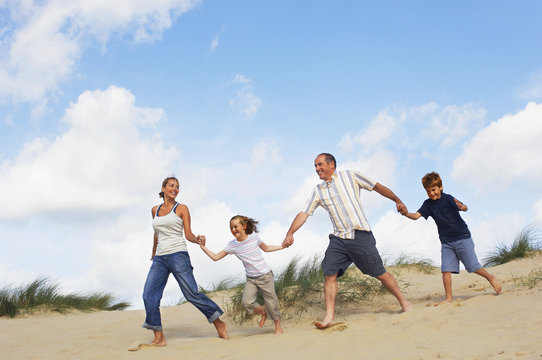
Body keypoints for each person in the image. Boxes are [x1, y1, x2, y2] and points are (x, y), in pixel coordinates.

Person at [282, 153, 412, 329]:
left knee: (379, 273)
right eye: (315, 166)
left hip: (360, 235)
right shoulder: (318, 191)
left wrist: (397, 200)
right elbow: (304, 213)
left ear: (331, 164)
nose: (317, 169)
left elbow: (377, 187)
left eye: (320, 165)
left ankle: (404, 302)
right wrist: (290, 232)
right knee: (329, 274)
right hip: (339, 239)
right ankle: (329, 317)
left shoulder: (351, 176)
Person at [142, 176, 228, 346]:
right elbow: (157, 232)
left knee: (191, 293)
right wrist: (153, 252)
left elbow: (187, 234)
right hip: (159, 258)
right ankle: (158, 336)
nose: (175, 189)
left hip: (178, 255)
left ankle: (219, 323)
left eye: (177, 187)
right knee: (148, 295)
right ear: (164, 188)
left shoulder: (181, 208)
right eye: (172, 186)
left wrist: (198, 239)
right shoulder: (154, 210)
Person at [402, 171, 502, 305]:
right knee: (446, 270)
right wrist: (405, 213)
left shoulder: (448, 198)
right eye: (428, 191)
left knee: (472, 267)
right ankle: (449, 299)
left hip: (462, 237)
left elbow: (464, 207)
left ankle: (491, 278)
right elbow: (415, 216)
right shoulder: (428, 204)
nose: (431, 193)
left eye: (434, 189)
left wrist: (462, 207)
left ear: (440, 187)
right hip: (446, 242)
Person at [199, 215, 284, 334]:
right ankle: (262, 311)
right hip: (251, 278)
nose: (233, 230)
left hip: (265, 275)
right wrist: (203, 247)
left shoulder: (254, 237)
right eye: (231, 228)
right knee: (246, 302)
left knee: (271, 301)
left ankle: (277, 326)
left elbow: (266, 248)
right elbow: (216, 257)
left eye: (235, 227)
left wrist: (282, 246)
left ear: (244, 226)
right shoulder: (232, 245)